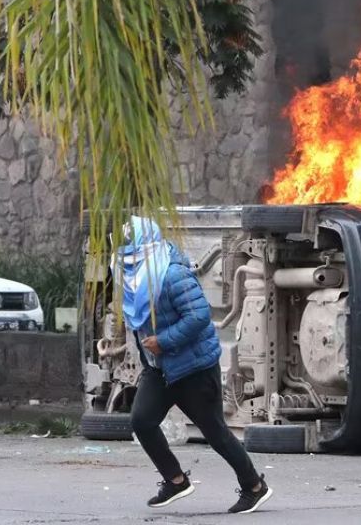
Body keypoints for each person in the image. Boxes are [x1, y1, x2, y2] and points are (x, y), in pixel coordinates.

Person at [117, 216, 273, 514]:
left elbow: (199, 317)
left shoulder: (173, 274)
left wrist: (164, 341)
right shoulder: (137, 276)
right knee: (142, 421)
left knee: (215, 432)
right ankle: (175, 480)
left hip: (194, 368)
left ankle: (255, 486)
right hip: (160, 368)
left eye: (129, 244)